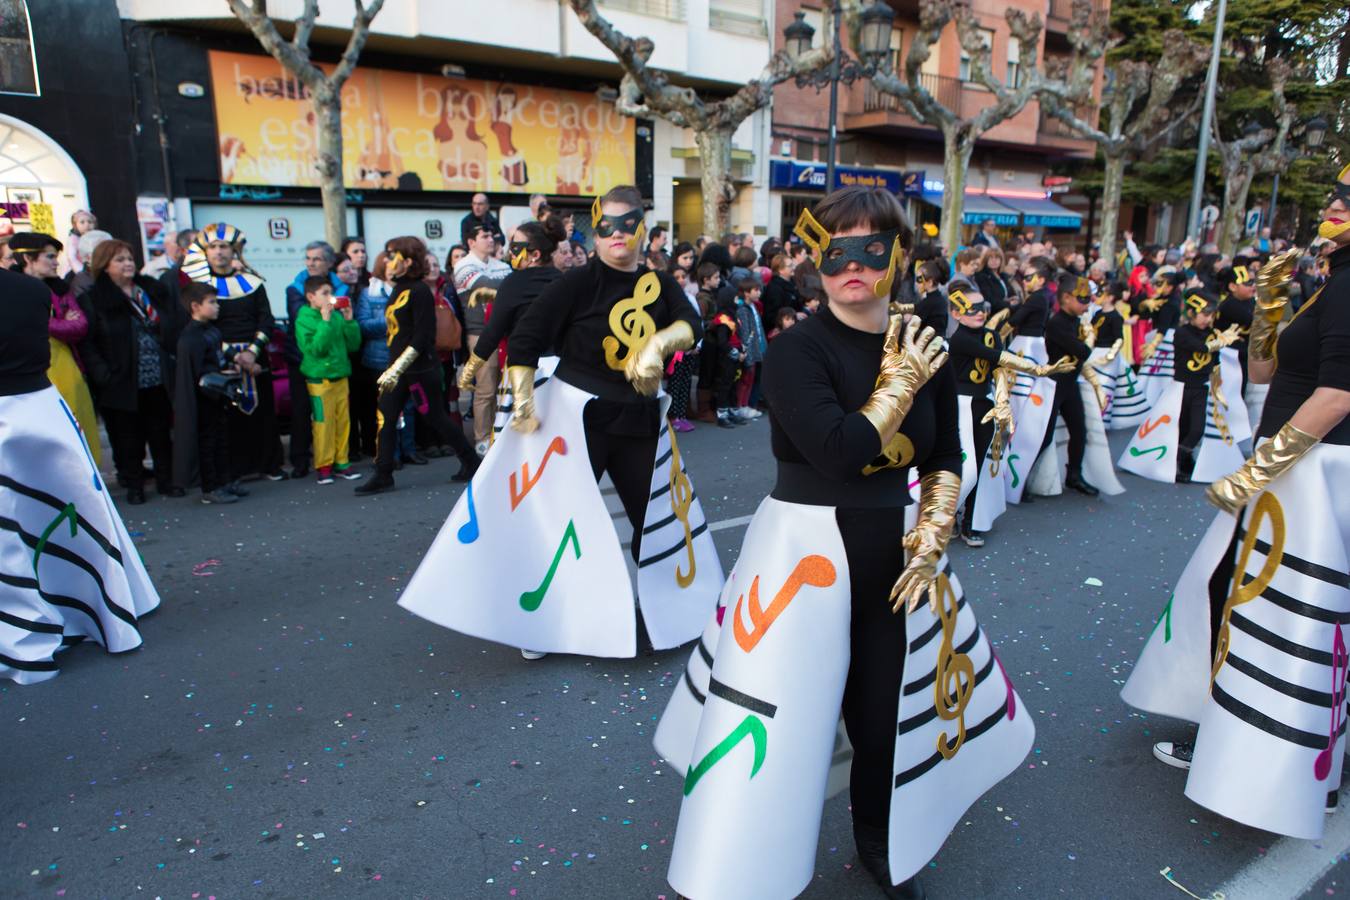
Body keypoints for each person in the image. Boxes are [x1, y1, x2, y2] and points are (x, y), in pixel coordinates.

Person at [656, 187, 1034, 900]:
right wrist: (897, 384)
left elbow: (946, 454)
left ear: (900, 254)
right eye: (835, 250)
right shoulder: (798, 351)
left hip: (893, 555)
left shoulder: (926, 342)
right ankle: (745, 849)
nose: (851, 265)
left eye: (870, 248)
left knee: (885, 713)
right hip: (802, 558)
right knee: (776, 714)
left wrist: (932, 528)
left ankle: (880, 843)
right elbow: (838, 452)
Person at [396, 186, 721, 663]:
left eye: (627, 225)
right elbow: (526, 337)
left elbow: (693, 322)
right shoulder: (576, 283)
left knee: (654, 520)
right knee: (556, 522)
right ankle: (541, 623)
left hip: (634, 421)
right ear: (594, 229)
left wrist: (660, 344)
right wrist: (524, 399)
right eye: (606, 226)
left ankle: (672, 612)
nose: (616, 235)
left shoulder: (660, 284)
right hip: (575, 422)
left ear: (642, 228)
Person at [1122, 165, 1350, 841]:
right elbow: (1263, 370)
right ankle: (1280, 752)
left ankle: (1283, 763)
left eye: (1344, 199)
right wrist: (1272, 303)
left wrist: (1256, 475)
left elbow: (1338, 397)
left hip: (1310, 478)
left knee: (1273, 613)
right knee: (1258, 606)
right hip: (1296, 475)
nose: (1330, 207)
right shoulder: (1328, 285)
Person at [0, 263, 161, 684]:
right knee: (67, 518)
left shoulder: (30, 291)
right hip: (41, 413)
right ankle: (90, 611)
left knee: (30, 528)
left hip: (30, 410)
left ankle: (30, 631)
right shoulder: (32, 291)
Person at [354, 237, 481, 495]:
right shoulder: (398, 288)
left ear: (408, 261)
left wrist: (396, 369)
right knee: (386, 418)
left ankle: (472, 462)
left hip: (420, 371)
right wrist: (394, 369)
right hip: (398, 370)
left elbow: (422, 337)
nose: (388, 260)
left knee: (436, 417)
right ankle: (383, 473)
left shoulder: (419, 291)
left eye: (393, 255)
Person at [180, 224, 285, 482]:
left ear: (233, 250)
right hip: (220, 358)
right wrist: (234, 355)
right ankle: (234, 471)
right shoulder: (200, 287)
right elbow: (205, 326)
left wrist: (251, 352)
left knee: (264, 414)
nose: (218, 252)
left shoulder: (253, 281)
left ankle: (269, 465)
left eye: (223, 246)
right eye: (213, 247)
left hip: (255, 355)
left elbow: (266, 319)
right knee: (229, 418)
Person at [80, 239, 182, 505]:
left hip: (158, 375)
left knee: (160, 432)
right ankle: (134, 484)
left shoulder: (150, 290)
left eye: (129, 258)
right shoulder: (94, 299)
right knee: (128, 437)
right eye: (119, 260)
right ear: (104, 266)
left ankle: (166, 480)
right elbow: (88, 343)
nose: (128, 264)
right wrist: (103, 374)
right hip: (120, 378)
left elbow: (171, 325)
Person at [458, 216, 567, 433]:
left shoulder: (513, 283)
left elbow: (493, 332)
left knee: (517, 445)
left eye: (517, 247)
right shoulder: (566, 281)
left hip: (525, 373)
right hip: (563, 374)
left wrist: (469, 371)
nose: (511, 253)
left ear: (535, 255)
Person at [10, 232, 100, 467]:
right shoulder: (13, 291)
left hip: (68, 368)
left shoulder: (61, 289)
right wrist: (57, 322)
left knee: (77, 429)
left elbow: (80, 326)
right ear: (28, 259)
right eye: (49, 256)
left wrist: (45, 323)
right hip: (31, 373)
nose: (55, 262)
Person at [172, 282, 243, 504]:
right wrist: (218, 377)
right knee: (208, 443)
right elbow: (196, 374)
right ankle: (210, 487)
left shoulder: (212, 330)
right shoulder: (190, 338)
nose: (217, 306)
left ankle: (224, 481)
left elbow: (218, 355)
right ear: (195, 306)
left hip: (217, 396)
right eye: (211, 302)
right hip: (204, 400)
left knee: (221, 440)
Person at [284, 241, 349, 478]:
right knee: (303, 411)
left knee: (339, 415)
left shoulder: (340, 287)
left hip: (336, 361)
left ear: (330, 263)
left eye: (317, 259)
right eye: (308, 258)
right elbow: (304, 319)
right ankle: (301, 461)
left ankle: (340, 459)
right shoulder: (296, 288)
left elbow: (345, 328)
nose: (311, 263)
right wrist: (326, 315)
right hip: (303, 357)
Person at [295, 276, 363, 484]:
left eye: (330, 293)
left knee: (343, 421)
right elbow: (316, 349)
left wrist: (350, 320)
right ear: (310, 297)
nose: (329, 298)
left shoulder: (336, 316)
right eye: (324, 293)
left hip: (340, 376)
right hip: (319, 380)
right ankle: (324, 465)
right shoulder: (304, 319)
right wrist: (324, 322)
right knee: (323, 424)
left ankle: (342, 462)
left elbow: (353, 345)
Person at [455, 223, 513, 454]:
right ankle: (482, 439)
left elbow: (507, 288)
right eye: (485, 236)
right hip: (479, 334)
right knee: (486, 390)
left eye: (493, 236)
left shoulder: (501, 265)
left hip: (504, 332)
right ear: (471, 242)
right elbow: (485, 286)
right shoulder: (463, 265)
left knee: (505, 387)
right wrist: (509, 286)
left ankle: (503, 436)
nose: (491, 239)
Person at [733, 276, 766, 420]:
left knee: (752, 379)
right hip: (748, 350)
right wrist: (746, 350)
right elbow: (745, 332)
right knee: (745, 379)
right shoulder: (742, 309)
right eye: (756, 290)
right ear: (746, 292)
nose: (759, 293)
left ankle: (747, 405)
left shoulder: (754, 307)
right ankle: (741, 406)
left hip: (757, 348)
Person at [760, 252, 799, 327]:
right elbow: (772, 315)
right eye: (790, 266)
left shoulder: (792, 282)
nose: (794, 267)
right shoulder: (774, 288)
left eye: (793, 264)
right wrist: (794, 316)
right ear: (780, 270)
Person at [912, 259, 948, 334]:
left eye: (919, 279)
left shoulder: (928, 303)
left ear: (930, 282)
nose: (916, 283)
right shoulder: (939, 299)